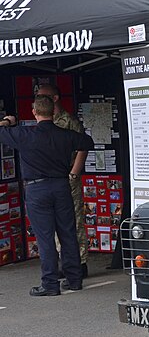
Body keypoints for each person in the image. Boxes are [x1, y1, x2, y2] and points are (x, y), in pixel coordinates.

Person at [0, 95, 93, 296]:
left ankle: (50, 283)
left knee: (45, 238)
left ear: (34, 113)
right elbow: (88, 142)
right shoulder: (65, 135)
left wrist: (9, 122)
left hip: (37, 189)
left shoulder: (25, 134)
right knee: (68, 233)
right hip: (61, 186)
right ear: (53, 112)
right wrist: (72, 171)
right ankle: (74, 280)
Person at [36, 84, 90, 278]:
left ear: (55, 98)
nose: (39, 99)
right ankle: (63, 261)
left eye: (43, 96)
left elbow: (83, 147)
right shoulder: (45, 121)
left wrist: (73, 174)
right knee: (57, 223)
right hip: (53, 178)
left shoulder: (69, 121)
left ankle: (79, 262)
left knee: (73, 220)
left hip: (68, 176)